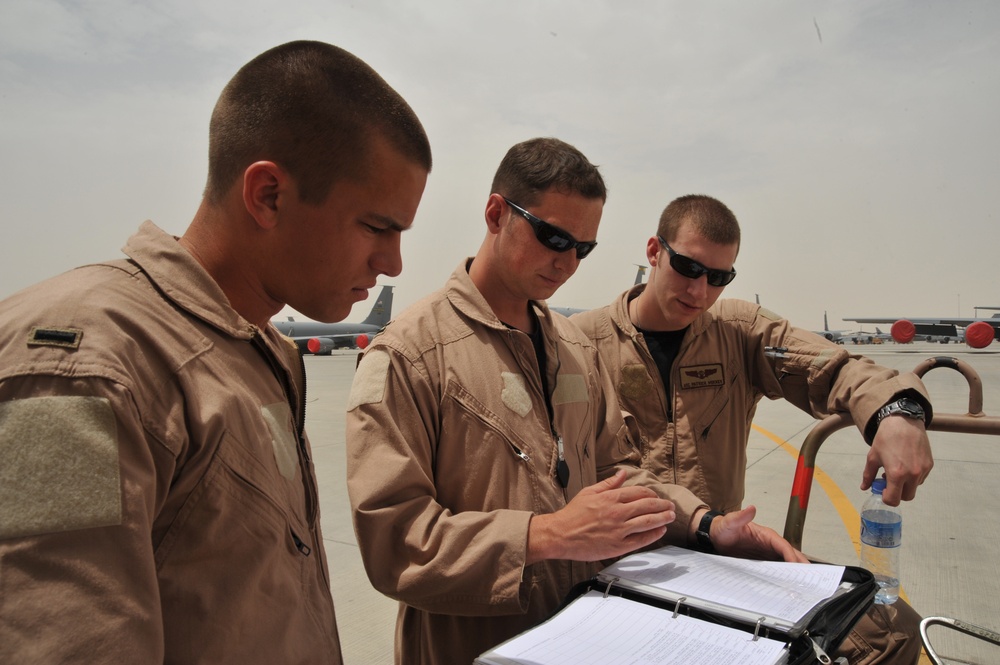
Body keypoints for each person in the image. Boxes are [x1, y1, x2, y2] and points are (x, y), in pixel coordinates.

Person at [0, 41, 431, 663]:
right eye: (376, 227)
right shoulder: (86, 368)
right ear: (269, 196)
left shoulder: (258, 349)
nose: (392, 263)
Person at [345, 139, 805, 665]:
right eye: (553, 238)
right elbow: (394, 541)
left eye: (583, 249)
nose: (567, 263)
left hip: (580, 633)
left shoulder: (574, 348)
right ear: (497, 214)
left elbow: (619, 472)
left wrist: (704, 524)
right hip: (472, 645)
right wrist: (546, 535)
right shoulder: (410, 355)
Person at [571, 194, 934, 664]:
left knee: (892, 632)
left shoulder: (738, 332)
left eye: (719, 277)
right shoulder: (581, 343)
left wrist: (895, 409)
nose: (700, 291)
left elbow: (828, 366)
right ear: (653, 252)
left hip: (723, 555)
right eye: (687, 267)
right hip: (620, 560)